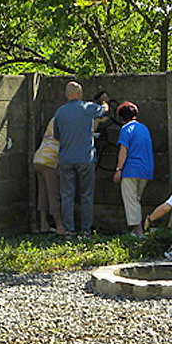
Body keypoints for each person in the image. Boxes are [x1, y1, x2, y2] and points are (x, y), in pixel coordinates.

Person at [53, 81, 108, 236]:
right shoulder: (88, 107)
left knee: (67, 197)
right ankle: (85, 230)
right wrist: (104, 102)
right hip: (85, 159)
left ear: (66, 94)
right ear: (80, 93)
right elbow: (104, 111)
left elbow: (56, 137)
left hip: (66, 159)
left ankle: (69, 230)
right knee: (86, 196)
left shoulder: (60, 112)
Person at [113, 102, 153, 236]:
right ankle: (137, 230)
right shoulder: (144, 128)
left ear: (121, 118)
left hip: (131, 170)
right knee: (136, 200)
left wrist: (118, 169)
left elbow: (123, 151)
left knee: (131, 201)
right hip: (146, 170)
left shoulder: (125, 129)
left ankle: (138, 230)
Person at [32, 118, 62, 234]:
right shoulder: (69, 120)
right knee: (53, 193)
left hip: (39, 158)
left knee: (43, 192)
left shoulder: (55, 119)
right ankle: (59, 226)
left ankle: (44, 224)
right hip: (50, 160)